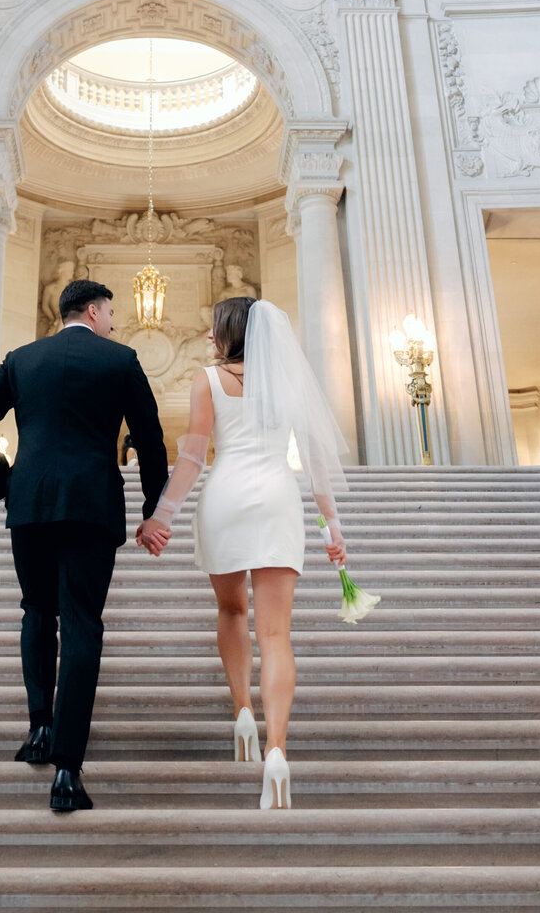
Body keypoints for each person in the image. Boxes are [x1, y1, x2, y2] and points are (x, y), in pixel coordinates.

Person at [0, 278, 168, 813]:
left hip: (30, 504)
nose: (115, 323)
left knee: (36, 611)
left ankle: (38, 730)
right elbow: (149, 438)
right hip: (92, 507)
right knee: (82, 624)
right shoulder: (121, 360)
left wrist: (6, 481)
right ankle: (68, 772)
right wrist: (153, 508)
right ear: (95, 311)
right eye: (112, 313)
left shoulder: (22, 358)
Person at [137, 296, 350, 812]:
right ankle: (277, 750)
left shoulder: (207, 380)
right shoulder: (289, 382)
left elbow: (191, 458)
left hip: (225, 497)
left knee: (231, 611)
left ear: (228, 331)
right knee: (276, 634)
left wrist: (160, 516)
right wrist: (332, 525)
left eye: (214, 329)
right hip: (278, 497)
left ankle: (241, 714)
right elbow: (317, 464)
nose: (209, 336)